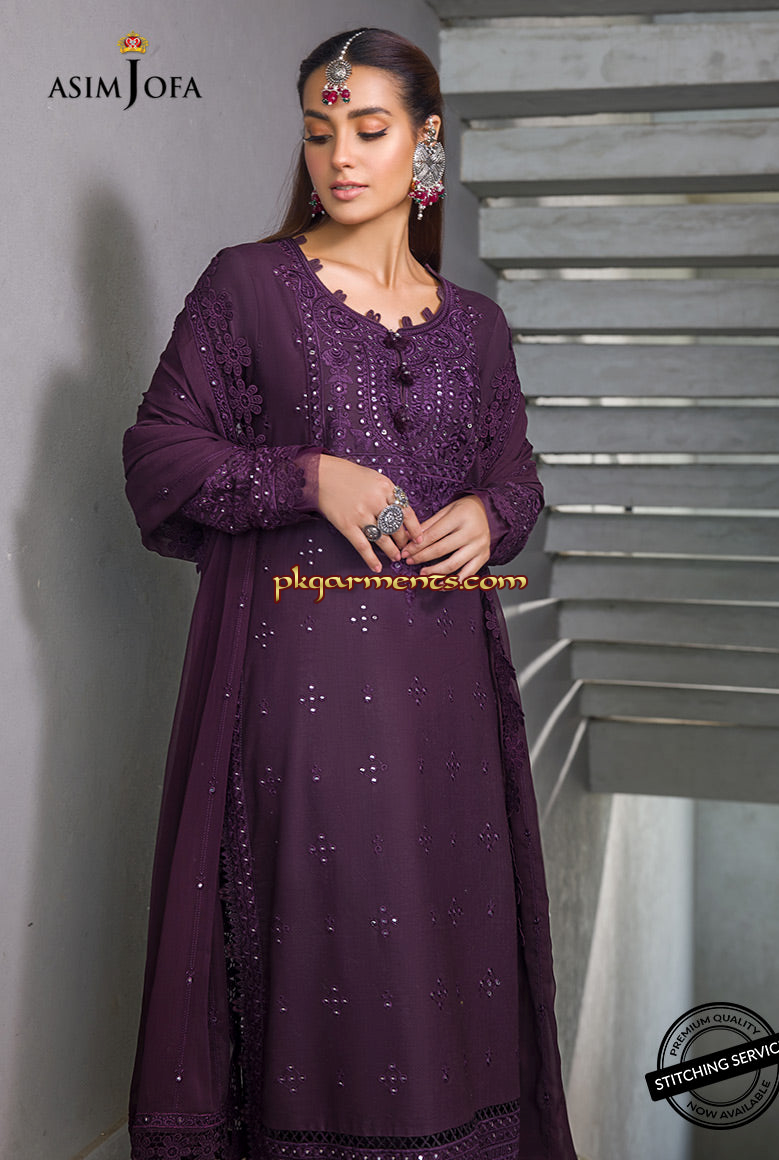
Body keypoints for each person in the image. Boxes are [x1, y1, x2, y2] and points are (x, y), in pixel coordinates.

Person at [122, 25, 578, 1160]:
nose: (340, 156)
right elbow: (157, 455)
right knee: (333, 942)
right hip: (301, 687)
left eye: (369, 130)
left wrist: (492, 514)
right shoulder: (249, 287)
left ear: (426, 142)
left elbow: (515, 476)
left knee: (444, 946)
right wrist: (310, 476)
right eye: (320, 132)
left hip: (447, 703)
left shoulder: (477, 327)